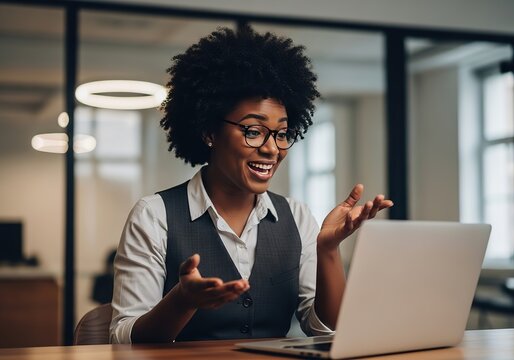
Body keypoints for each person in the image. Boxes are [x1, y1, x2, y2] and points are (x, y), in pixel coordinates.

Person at [110, 26, 393, 344]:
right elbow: (123, 339)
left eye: (282, 133)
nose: (272, 148)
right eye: (253, 130)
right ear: (209, 132)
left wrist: (328, 251)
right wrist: (182, 301)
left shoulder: (296, 216)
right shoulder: (154, 215)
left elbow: (328, 331)